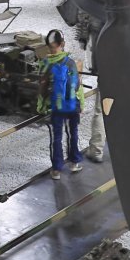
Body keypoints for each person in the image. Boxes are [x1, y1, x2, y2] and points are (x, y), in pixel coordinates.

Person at [40, 29, 83, 178]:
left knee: (57, 137)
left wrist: (42, 104)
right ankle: (74, 162)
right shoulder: (70, 62)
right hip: (72, 105)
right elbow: (77, 85)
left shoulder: (47, 63)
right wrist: (80, 104)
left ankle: (57, 170)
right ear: (62, 44)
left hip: (57, 106)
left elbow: (42, 86)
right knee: (73, 133)